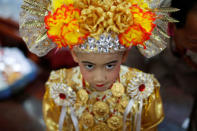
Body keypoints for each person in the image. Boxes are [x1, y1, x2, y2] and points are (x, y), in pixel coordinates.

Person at [19, 0, 178, 130]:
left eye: (110, 65)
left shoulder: (144, 89)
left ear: (124, 55)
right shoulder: (59, 88)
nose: (99, 77)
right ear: (74, 54)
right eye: (89, 66)